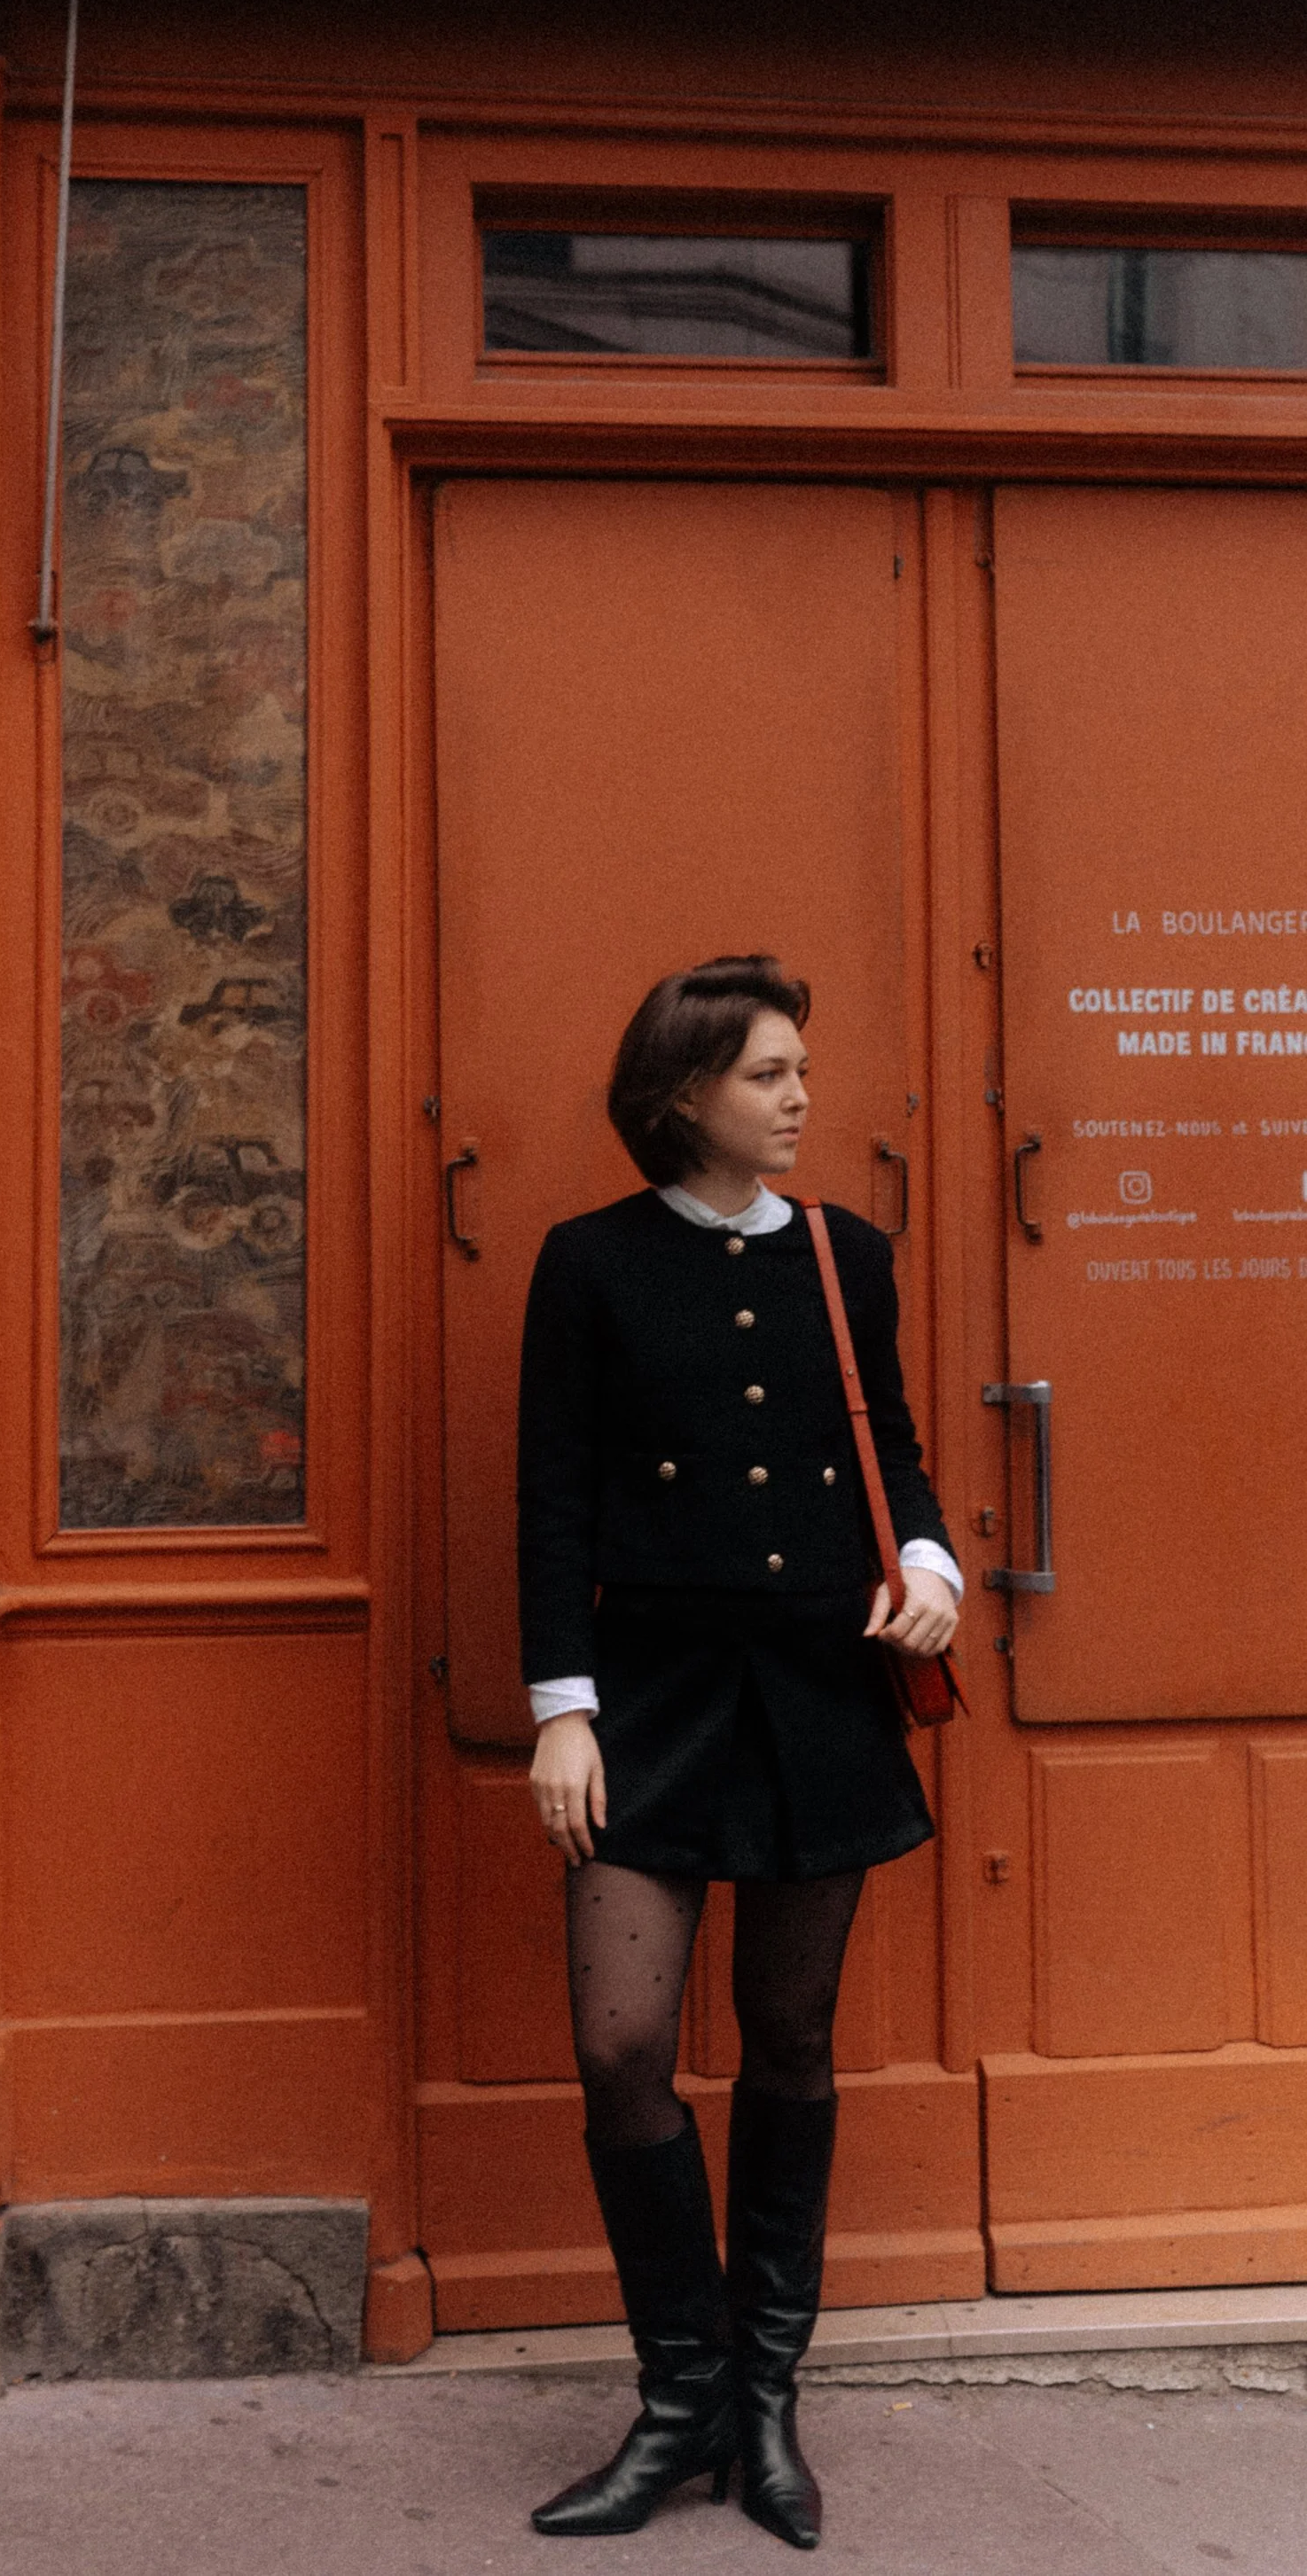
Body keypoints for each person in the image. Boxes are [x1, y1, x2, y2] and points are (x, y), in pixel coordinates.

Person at [517, 956, 959, 2551]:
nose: (800, 1094)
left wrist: (934, 1566)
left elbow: (888, 1443)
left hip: (819, 1699)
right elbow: (551, 1496)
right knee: (623, 2042)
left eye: (800, 1069)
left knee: (789, 2039)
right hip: (648, 1700)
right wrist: (563, 1705)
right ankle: (679, 2392)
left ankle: (764, 2403)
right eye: (770, 1071)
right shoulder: (588, 1266)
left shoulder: (849, 1253)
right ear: (685, 1091)